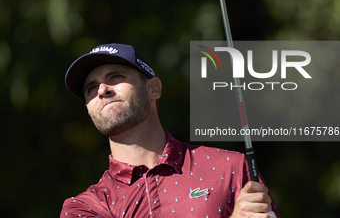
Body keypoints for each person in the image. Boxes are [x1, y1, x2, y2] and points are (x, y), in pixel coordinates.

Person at [61, 43, 280, 218]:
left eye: (116, 77)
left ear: (153, 89)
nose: (101, 90)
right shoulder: (85, 208)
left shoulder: (230, 169)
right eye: (91, 88)